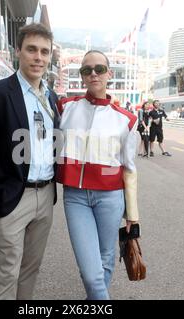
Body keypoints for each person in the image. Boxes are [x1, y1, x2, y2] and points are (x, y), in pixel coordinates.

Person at [0, 23, 59, 300]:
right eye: (31, 49)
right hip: (12, 197)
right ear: (17, 51)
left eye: (44, 52)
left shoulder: (51, 97)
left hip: (46, 196)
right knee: (8, 272)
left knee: (31, 268)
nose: (38, 57)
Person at [56, 50, 140, 300]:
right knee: (91, 272)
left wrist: (132, 216)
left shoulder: (126, 119)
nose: (93, 74)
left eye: (99, 69)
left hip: (111, 198)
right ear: (81, 76)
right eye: (86, 70)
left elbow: (130, 167)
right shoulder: (65, 107)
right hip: (75, 197)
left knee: (105, 260)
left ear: (109, 74)